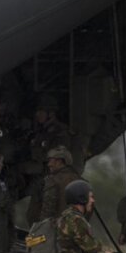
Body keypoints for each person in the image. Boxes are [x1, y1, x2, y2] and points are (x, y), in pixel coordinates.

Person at [23, 95, 73, 224]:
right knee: (33, 216)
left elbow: (58, 155)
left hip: (53, 181)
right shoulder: (41, 131)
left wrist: (37, 155)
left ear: (50, 113)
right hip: (41, 180)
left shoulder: (59, 132)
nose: (37, 115)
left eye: (41, 111)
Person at [36, 146, 81, 221]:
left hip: (57, 228)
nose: (49, 164)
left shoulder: (52, 180)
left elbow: (47, 210)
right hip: (78, 228)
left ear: (59, 161)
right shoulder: (81, 181)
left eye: (51, 160)